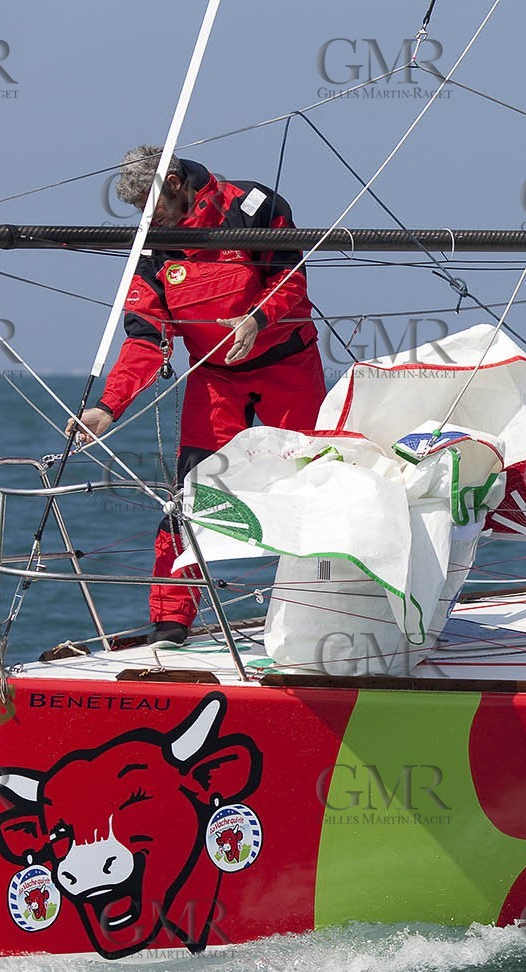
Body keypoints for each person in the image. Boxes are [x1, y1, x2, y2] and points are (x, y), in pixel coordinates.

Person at [68, 146, 327, 646]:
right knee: (188, 498)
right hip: (215, 381)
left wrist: (257, 320)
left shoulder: (252, 206)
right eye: (140, 209)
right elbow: (145, 339)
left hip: (287, 367)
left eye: (152, 202)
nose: (150, 216)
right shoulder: (154, 249)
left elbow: (290, 282)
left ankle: (327, 609)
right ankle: (171, 621)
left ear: (172, 181)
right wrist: (107, 408)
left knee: (317, 486)